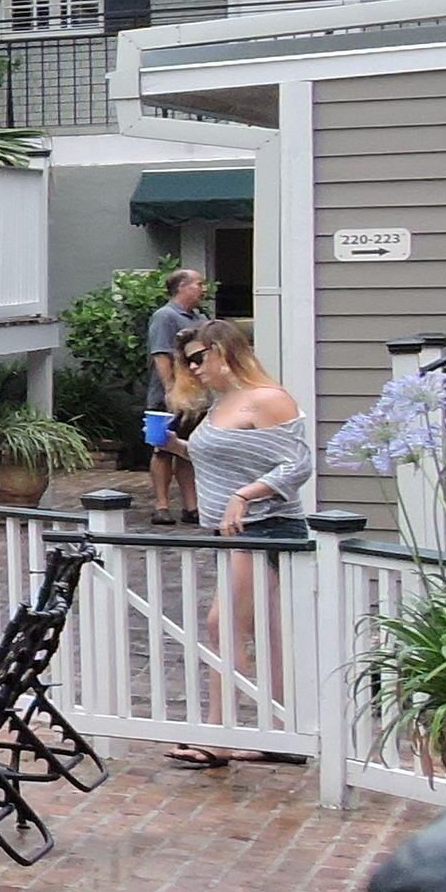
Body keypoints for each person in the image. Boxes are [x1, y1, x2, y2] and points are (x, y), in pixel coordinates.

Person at [167, 319, 311, 771]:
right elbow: (225, 459)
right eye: (186, 363)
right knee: (266, 633)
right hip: (231, 532)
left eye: (197, 359)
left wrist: (245, 495)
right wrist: (176, 446)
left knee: (221, 625)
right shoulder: (223, 402)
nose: (193, 370)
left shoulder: (269, 398)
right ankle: (285, 734)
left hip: (266, 528)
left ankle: (219, 735)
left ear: (224, 351)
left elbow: (298, 465)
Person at [144, 266, 209, 522]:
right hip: (168, 397)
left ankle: (191, 507)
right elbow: (161, 354)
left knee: (187, 449)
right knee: (162, 449)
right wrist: (171, 389)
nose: (203, 289)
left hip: (196, 396)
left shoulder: (199, 317)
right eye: (198, 284)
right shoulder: (165, 316)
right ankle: (161, 506)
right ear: (182, 287)